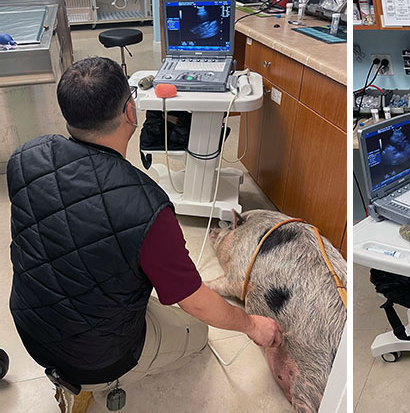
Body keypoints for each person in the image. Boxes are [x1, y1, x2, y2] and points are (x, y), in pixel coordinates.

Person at [6, 57, 283, 412]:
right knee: (197, 333)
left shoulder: (26, 157)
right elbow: (193, 300)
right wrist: (250, 324)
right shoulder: (146, 206)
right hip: (96, 359)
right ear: (130, 113)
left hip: (31, 330)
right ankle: (97, 382)